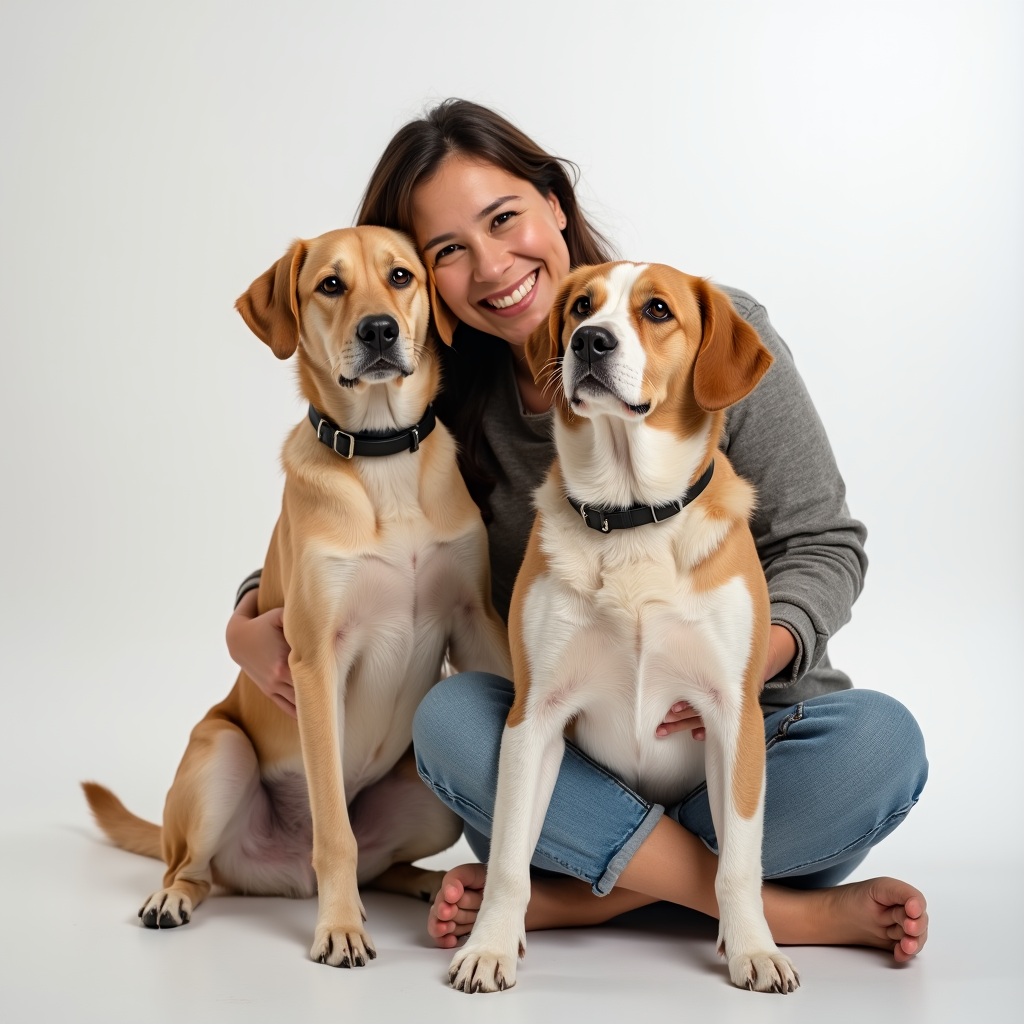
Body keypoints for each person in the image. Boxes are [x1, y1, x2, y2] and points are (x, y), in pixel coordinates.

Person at [226, 99, 929, 963]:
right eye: (448, 252)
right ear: (421, 280)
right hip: (572, 755)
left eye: (504, 218)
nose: (491, 265)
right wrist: (244, 619)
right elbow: (331, 525)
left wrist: (751, 661)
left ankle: (592, 896)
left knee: (881, 746)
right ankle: (777, 910)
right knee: (453, 719)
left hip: (736, 747)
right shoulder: (433, 396)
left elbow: (824, 541)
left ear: (555, 202)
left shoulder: (711, 327)